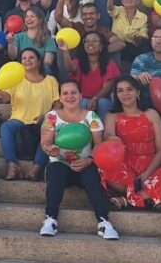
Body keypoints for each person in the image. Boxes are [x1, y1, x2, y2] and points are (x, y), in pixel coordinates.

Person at [38, 80, 119, 240]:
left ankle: (103, 221)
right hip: (60, 164)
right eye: (65, 93)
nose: (70, 96)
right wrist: (49, 148)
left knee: (92, 177)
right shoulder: (52, 117)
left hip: (85, 164)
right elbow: (45, 141)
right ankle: (50, 219)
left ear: (81, 96)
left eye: (73, 93)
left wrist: (89, 160)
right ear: (60, 97)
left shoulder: (92, 117)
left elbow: (98, 146)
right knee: (55, 171)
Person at [101, 75, 161, 209]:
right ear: (116, 95)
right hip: (125, 167)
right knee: (102, 169)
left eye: (129, 89)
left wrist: (146, 174)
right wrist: (112, 138)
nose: (125, 94)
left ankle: (127, 200)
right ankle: (150, 198)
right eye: (120, 90)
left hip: (150, 167)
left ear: (138, 92)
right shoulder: (112, 116)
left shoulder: (151, 114)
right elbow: (108, 134)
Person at [0, 47, 59, 181]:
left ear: (39, 61)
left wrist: (46, 115)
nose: (27, 60)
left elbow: (58, 104)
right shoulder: (15, 79)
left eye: (31, 57)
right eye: (24, 58)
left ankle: (35, 169)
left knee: (50, 129)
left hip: (43, 120)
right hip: (19, 120)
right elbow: (5, 97)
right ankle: (12, 166)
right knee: (6, 127)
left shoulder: (51, 80)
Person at [58, 31, 119, 120]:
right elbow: (70, 68)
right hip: (83, 100)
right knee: (83, 102)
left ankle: (104, 132)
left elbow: (107, 88)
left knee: (102, 103)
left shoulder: (110, 64)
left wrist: (95, 99)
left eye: (94, 41)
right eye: (87, 41)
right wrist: (66, 52)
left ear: (101, 46)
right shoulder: (78, 62)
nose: (90, 43)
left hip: (102, 99)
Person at [105, 0, 148, 64]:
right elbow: (110, 8)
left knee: (145, 45)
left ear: (138, 1)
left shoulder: (143, 16)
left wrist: (139, 38)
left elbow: (143, 35)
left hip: (133, 47)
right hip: (117, 46)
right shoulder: (119, 10)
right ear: (122, 1)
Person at [7, 6, 57, 71]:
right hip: (21, 71)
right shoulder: (17, 37)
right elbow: (12, 57)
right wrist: (10, 43)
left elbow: (47, 63)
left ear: (40, 20)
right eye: (27, 17)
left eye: (32, 16)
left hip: (39, 71)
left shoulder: (49, 39)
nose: (28, 19)